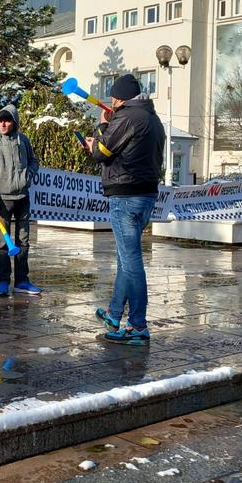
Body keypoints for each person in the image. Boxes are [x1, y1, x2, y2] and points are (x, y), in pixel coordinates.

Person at [85, 74, 165, 345]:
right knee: (124, 259)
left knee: (131, 264)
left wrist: (101, 126)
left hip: (125, 196)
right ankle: (114, 313)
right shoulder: (153, 119)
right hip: (145, 195)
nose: (111, 103)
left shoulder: (127, 117)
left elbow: (101, 151)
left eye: (113, 98)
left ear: (120, 98)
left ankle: (138, 326)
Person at [0, 103, 41, 296]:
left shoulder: (23, 140)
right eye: (0, 120)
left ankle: (22, 281)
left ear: (14, 122)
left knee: (23, 241)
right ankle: (3, 281)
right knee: (2, 243)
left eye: (7, 120)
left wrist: (28, 175)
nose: (3, 124)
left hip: (23, 197)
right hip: (1, 199)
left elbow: (33, 161)